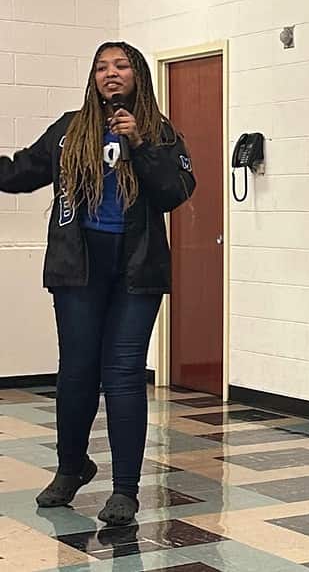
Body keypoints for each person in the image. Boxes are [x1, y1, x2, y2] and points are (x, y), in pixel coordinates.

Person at [0, 42, 196, 525]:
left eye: (121, 65)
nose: (111, 74)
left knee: (125, 374)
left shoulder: (160, 132)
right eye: (102, 67)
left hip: (136, 270)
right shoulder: (68, 130)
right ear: (93, 77)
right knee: (77, 372)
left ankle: (125, 491)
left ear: (138, 76)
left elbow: (175, 192)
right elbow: (20, 173)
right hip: (78, 269)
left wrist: (143, 146)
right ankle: (72, 468)